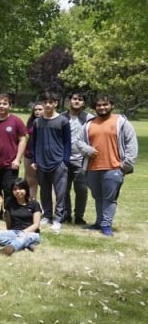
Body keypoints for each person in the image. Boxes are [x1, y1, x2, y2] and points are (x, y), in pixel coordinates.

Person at [81, 95, 138, 237]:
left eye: (105, 104)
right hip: (92, 168)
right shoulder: (89, 124)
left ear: (112, 105)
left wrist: (126, 165)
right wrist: (87, 149)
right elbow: (78, 142)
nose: (102, 107)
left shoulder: (122, 122)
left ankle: (106, 225)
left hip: (113, 168)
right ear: (95, 107)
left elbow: (131, 143)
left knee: (109, 198)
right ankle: (99, 222)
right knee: (98, 197)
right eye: (99, 105)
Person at [29, 92, 70, 232]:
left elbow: (67, 142)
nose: (47, 105)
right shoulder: (37, 122)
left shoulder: (63, 121)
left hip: (58, 162)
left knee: (60, 192)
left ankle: (58, 218)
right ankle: (47, 215)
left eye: (50, 102)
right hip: (41, 162)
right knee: (44, 190)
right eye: (45, 102)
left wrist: (64, 161)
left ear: (55, 103)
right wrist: (34, 160)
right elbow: (34, 142)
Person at [61, 92, 93, 225]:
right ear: (69, 101)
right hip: (64, 159)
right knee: (64, 189)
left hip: (82, 160)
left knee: (81, 190)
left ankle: (79, 216)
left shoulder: (89, 118)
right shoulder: (62, 117)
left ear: (83, 102)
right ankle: (66, 214)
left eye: (80, 99)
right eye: (74, 99)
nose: (77, 101)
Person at [0, 180, 42, 256]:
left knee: (24, 237)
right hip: (14, 232)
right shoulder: (9, 203)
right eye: (15, 189)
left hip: (31, 233)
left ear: (26, 189)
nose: (17, 191)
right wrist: (10, 232)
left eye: (21, 188)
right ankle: (26, 245)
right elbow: (8, 220)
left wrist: (23, 232)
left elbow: (36, 225)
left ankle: (10, 248)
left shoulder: (34, 204)